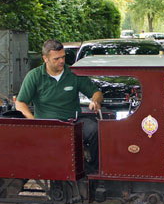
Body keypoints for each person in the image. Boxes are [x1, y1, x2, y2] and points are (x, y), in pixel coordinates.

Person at [15, 39, 103, 170]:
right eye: (56, 59)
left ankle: (93, 170)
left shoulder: (74, 73)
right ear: (45, 58)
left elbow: (96, 92)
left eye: (63, 57)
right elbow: (20, 103)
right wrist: (33, 121)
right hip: (47, 126)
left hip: (73, 123)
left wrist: (95, 101)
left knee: (97, 130)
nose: (61, 61)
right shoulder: (34, 76)